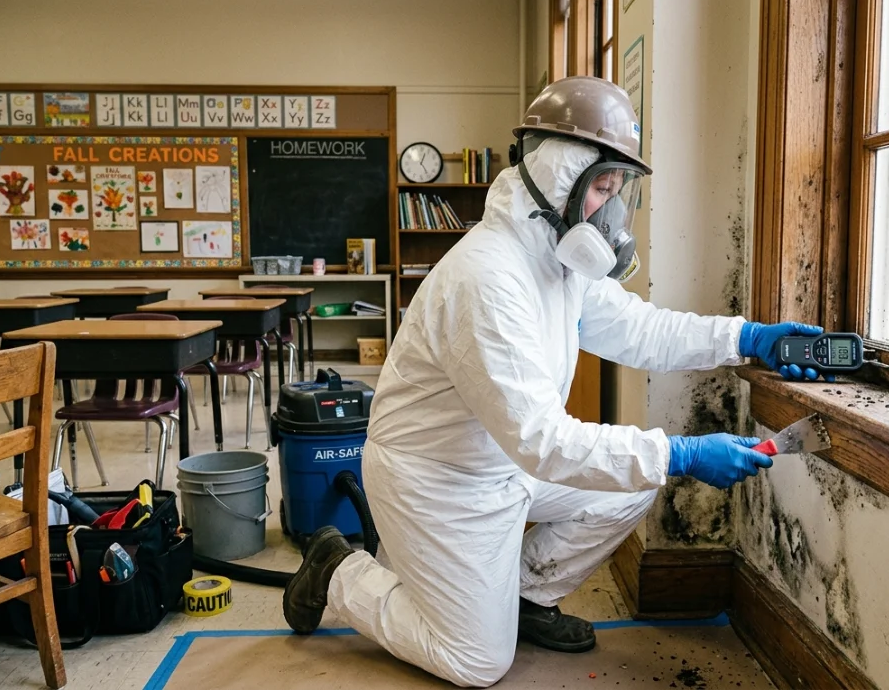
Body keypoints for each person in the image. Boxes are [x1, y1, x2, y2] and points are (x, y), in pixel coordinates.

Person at [284, 76, 825, 688]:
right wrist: (682, 453)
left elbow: (641, 331)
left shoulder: (558, 259)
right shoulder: (488, 278)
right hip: (436, 481)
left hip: (502, 463)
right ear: (558, 174)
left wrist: (749, 339)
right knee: (477, 661)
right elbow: (541, 439)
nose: (611, 212)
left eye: (619, 191)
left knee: (631, 486)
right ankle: (337, 570)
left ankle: (522, 597)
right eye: (602, 187)